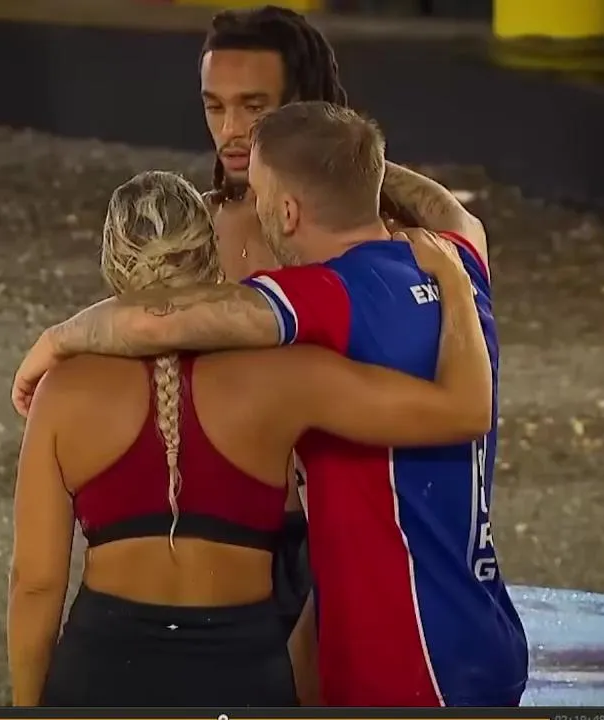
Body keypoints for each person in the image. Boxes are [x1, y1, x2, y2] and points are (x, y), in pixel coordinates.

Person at [11, 103, 528, 707]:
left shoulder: (316, 298)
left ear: (287, 210)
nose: (252, 210)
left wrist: (54, 343)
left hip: (400, 656)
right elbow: (448, 210)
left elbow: (157, 321)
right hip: (471, 627)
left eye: (257, 193)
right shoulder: (456, 256)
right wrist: (342, 164)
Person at [197, 6, 480, 668]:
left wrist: (341, 156)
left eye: (254, 108)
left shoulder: (384, 240)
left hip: (360, 539)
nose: (231, 130)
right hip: (227, 535)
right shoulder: (198, 231)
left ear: (301, 106)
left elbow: (463, 233)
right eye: (214, 107)